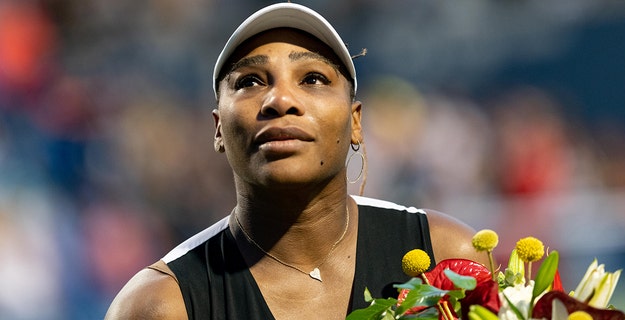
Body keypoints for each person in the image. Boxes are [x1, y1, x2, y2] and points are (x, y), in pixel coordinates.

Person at [105, 3, 488, 319]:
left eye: (313, 79)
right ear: (219, 128)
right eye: (250, 81)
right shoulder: (160, 305)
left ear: (355, 121)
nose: (280, 100)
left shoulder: (449, 255)